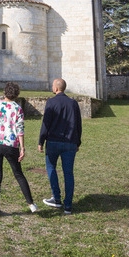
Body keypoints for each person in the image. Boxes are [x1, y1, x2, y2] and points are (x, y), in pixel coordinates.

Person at [0, 81, 39, 218]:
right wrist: (22, 147)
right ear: (16, 94)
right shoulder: (17, 108)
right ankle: (31, 204)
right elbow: (20, 130)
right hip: (10, 145)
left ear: (4, 92)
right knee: (18, 174)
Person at [38, 78, 82, 215]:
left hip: (53, 142)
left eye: (52, 85)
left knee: (51, 168)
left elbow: (46, 123)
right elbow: (78, 125)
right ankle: (68, 206)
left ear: (56, 88)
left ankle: (56, 199)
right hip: (70, 142)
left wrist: (41, 141)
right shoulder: (73, 103)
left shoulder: (51, 102)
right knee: (68, 173)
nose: (52, 87)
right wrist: (77, 142)